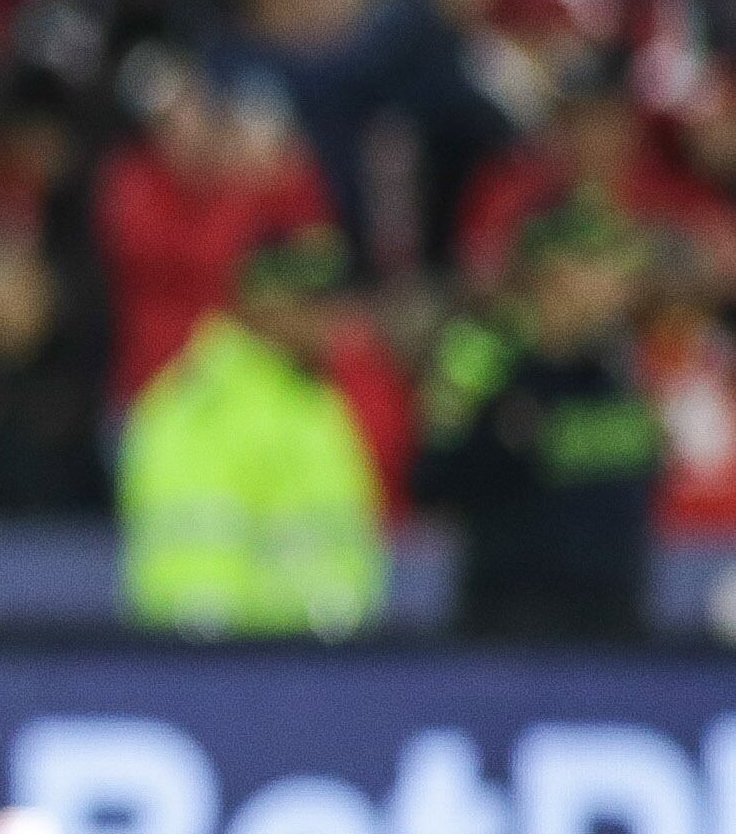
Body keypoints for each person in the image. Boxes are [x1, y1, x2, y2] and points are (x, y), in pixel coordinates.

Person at [119, 228, 386, 637]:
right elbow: (193, 575)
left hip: (331, 660)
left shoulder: (316, 405)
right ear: (264, 304)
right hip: (233, 663)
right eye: (311, 304)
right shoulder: (201, 409)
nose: (328, 321)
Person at [417, 201, 664, 640]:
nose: (623, 286)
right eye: (606, 269)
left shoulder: (622, 364)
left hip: (617, 622)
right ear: (555, 273)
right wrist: (501, 442)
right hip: (515, 627)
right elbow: (430, 480)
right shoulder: (482, 354)